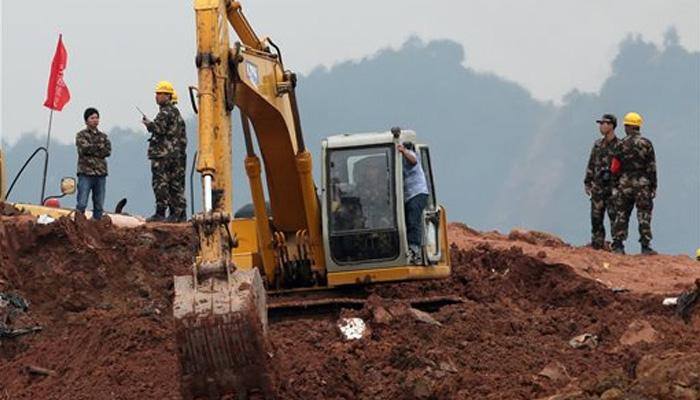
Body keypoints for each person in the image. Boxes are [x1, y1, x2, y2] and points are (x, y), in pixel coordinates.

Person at [611, 112, 657, 255]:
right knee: (643, 214)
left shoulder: (620, 144)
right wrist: (653, 186)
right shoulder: (646, 143)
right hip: (642, 184)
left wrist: (617, 183)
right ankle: (645, 246)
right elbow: (652, 167)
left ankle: (618, 245)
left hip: (624, 183)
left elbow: (614, 167)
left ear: (627, 127)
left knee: (622, 214)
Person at [142, 81, 187, 222]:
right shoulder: (176, 113)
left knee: (161, 183)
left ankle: (161, 213)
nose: (157, 96)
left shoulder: (166, 112)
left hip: (163, 155)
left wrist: (149, 124)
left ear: (168, 96)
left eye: (160, 94)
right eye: (157, 94)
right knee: (176, 184)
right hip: (176, 155)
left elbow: (159, 129)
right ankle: (178, 214)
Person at [584, 114, 620, 250]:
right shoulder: (598, 145)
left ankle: (617, 246)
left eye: (604, 123)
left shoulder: (620, 145)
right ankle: (597, 245)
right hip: (598, 186)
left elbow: (624, 167)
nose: (601, 126)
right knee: (596, 218)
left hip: (613, 187)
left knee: (615, 218)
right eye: (600, 123)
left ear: (612, 126)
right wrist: (588, 182)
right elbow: (592, 164)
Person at [75, 108, 111, 220]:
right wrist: (98, 148)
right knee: (82, 203)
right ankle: (79, 224)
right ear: (86, 121)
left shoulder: (103, 136)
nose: (95, 120)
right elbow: (84, 149)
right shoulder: (81, 135)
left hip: (100, 174)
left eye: (96, 118)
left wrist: (93, 148)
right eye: (92, 118)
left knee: (99, 205)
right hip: (86, 173)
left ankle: (97, 225)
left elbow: (107, 151)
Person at [397, 141, 430, 264]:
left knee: (413, 220)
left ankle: (414, 250)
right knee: (405, 221)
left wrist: (404, 151)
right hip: (407, 196)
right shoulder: (398, 163)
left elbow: (413, 159)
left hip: (417, 193)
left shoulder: (410, 156)